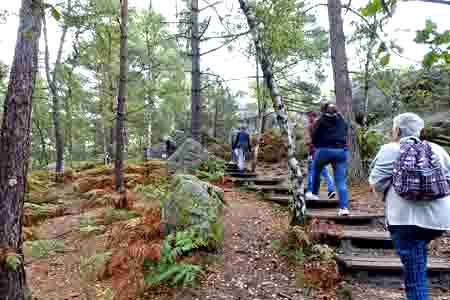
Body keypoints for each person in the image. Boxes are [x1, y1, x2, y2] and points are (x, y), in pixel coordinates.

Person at [369, 113, 450, 300]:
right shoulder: (437, 149)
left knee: (415, 279)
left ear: (397, 130)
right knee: (417, 259)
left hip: (404, 220)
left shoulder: (390, 149)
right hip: (437, 219)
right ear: (421, 131)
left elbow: (377, 182)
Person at [309, 103, 349, 216]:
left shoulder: (320, 120)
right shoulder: (341, 119)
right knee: (341, 181)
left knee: (316, 171)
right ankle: (344, 208)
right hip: (340, 151)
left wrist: (317, 145)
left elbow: (314, 134)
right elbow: (345, 131)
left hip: (323, 150)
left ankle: (315, 194)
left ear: (323, 110)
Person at [304, 111, 336, 200]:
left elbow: (309, 142)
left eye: (309, 117)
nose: (308, 118)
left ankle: (311, 191)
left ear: (312, 117)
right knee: (325, 173)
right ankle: (331, 190)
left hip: (314, 154)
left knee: (311, 173)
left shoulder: (311, 127)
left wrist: (309, 147)